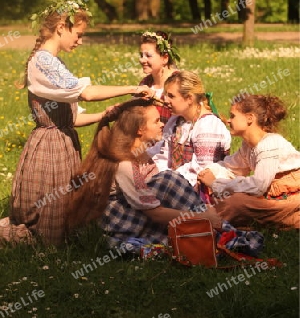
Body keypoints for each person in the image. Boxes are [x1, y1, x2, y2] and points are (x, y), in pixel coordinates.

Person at [5, 0, 153, 247]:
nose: (81, 41)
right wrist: (131, 88)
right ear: (61, 27)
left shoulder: (54, 62)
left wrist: (106, 115)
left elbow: (71, 117)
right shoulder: (42, 62)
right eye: (79, 34)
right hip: (49, 147)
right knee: (42, 232)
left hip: (62, 143)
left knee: (59, 227)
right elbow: (86, 93)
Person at [67, 98, 222, 246]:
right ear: (140, 129)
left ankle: (214, 233)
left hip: (135, 214)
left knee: (169, 180)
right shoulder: (124, 164)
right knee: (168, 180)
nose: (162, 124)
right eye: (156, 121)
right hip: (116, 222)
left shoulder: (141, 155)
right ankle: (217, 234)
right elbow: (156, 213)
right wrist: (202, 217)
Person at [198, 94, 300, 229]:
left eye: (233, 116)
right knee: (225, 198)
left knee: (234, 202)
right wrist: (210, 171)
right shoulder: (248, 146)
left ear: (250, 118)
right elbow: (232, 167)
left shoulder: (269, 144)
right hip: (266, 192)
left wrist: (216, 183)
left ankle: (209, 221)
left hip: (288, 195)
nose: (228, 121)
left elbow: (258, 185)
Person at [148, 71, 231, 202]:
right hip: (174, 185)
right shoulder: (176, 121)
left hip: (200, 194)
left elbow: (201, 170)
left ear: (189, 99)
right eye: (165, 95)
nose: (165, 100)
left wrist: (164, 181)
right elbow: (164, 154)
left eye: (171, 96)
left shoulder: (208, 125)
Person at [138, 31, 180, 123]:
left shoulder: (179, 82)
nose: (142, 60)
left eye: (148, 55)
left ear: (165, 58)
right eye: (141, 55)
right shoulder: (145, 83)